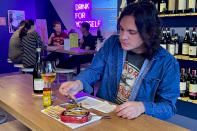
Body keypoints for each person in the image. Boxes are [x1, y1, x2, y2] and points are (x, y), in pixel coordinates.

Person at [59, 1, 180, 120]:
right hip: (105, 116)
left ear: (149, 33)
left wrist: (142, 107)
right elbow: (94, 70)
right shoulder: (112, 43)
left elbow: (168, 107)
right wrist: (79, 83)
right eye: (121, 29)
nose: (123, 37)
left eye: (131, 32)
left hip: (137, 123)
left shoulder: (167, 63)